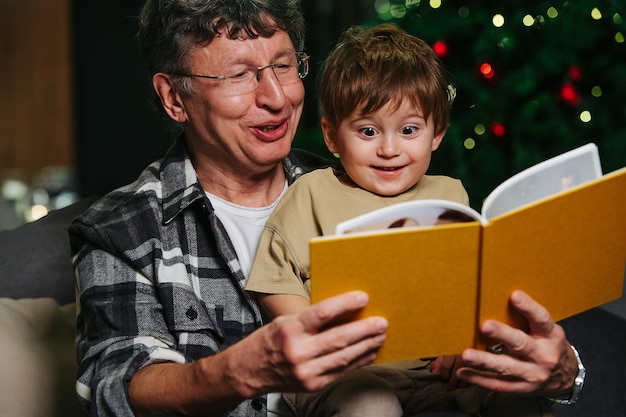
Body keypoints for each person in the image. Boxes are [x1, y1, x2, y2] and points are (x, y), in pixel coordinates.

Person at [68, 1, 584, 417]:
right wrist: (237, 371)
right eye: (240, 75)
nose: (277, 97)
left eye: (285, 66)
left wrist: (564, 371)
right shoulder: (122, 229)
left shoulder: (368, 180)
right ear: (174, 98)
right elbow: (118, 388)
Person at [242, 23, 545, 416]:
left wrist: (468, 341)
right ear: (332, 137)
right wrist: (319, 337)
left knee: (513, 395)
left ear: (436, 133)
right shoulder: (312, 193)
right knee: (371, 403)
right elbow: (274, 281)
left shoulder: (451, 195)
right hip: (344, 374)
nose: (389, 149)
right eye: (368, 131)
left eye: (408, 130)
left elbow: (471, 287)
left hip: (440, 367)